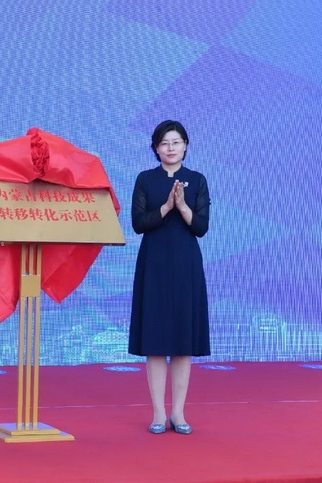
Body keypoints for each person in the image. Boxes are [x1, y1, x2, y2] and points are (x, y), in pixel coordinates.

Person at [128, 120, 210, 435]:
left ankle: (178, 412)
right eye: (164, 143)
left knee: (182, 341)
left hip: (186, 264)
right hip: (155, 264)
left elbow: (200, 227)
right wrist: (165, 207)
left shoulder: (197, 180)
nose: (171, 148)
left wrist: (182, 207)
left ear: (186, 145)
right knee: (155, 340)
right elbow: (138, 223)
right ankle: (158, 414)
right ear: (156, 148)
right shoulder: (145, 179)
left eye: (176, 142)